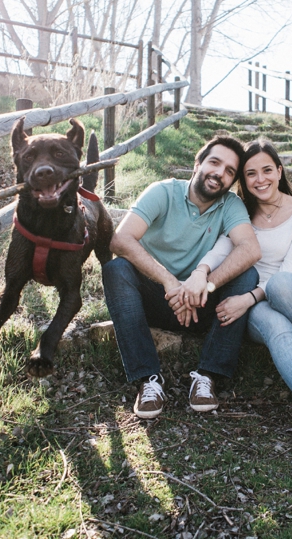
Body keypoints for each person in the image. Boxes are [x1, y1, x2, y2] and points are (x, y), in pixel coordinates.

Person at [189, 139, 292, 469]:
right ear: (244, 181)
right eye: (250, 173)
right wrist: (202, 271)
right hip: (258, 309)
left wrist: (248, 297)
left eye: (267, 170)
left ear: (280, 172)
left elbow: (291, 271)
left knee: (281, 283)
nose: (260, 179)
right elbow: (221, 251)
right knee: (277, 328)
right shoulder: (239, 214)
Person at [102, 135, 261, 420]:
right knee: (116, 269)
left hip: (202, 303)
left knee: (247, 275)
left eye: (229, 172)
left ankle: (207, 375)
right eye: (214, 163)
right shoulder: (162, 192)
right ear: (197, 162)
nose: (219, 174)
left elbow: (250, 249)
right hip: (156, 298)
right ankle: (148, 380)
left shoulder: (230, 205)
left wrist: (206, 284)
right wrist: (170, 281)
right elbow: (120, 240)